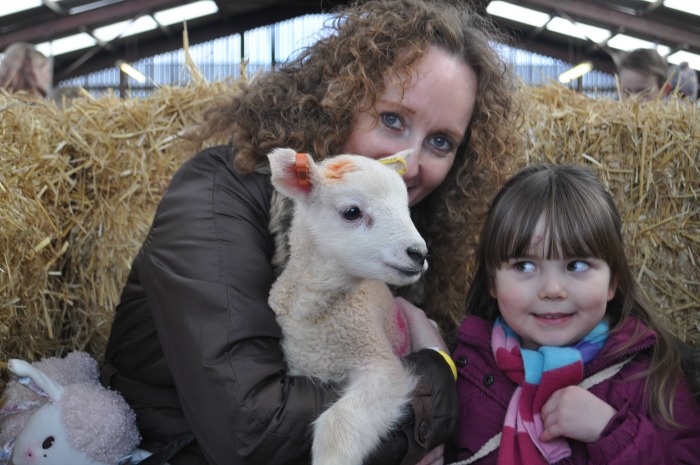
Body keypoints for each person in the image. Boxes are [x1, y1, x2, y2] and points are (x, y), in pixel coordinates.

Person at [100, 0, 522, 464]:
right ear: (339, 101)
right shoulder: (221, 193)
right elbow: (250, 429)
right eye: (392, 119)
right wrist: (437, 378)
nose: (410, 163)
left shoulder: (395, 242)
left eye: (441, 142)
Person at [445, 163, 700, 464]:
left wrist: (610, 431)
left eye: (576, 265)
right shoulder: (466, 369)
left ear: (612, 283)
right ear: (492, 282)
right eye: (525, 266)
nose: (553, 289)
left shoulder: (652, 376)